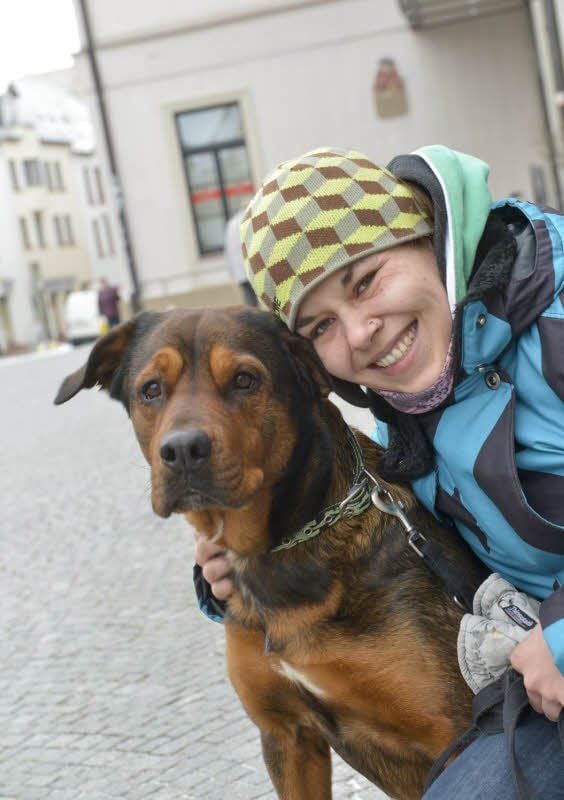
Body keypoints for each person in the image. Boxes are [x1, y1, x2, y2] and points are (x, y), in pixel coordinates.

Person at [194, 146, 564, 797]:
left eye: (365, 281)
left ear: (426, 233)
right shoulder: (407, 417)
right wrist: (232, 571)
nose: (361, 333)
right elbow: (381, 543)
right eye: (321, 325)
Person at [224, 208, 258, 307]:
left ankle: (252, 319)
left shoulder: (231, 224)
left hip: (239, 270)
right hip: (252, 267)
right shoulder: (248, 219)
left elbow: (228, 250)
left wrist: (231, 271)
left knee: (249, 299)